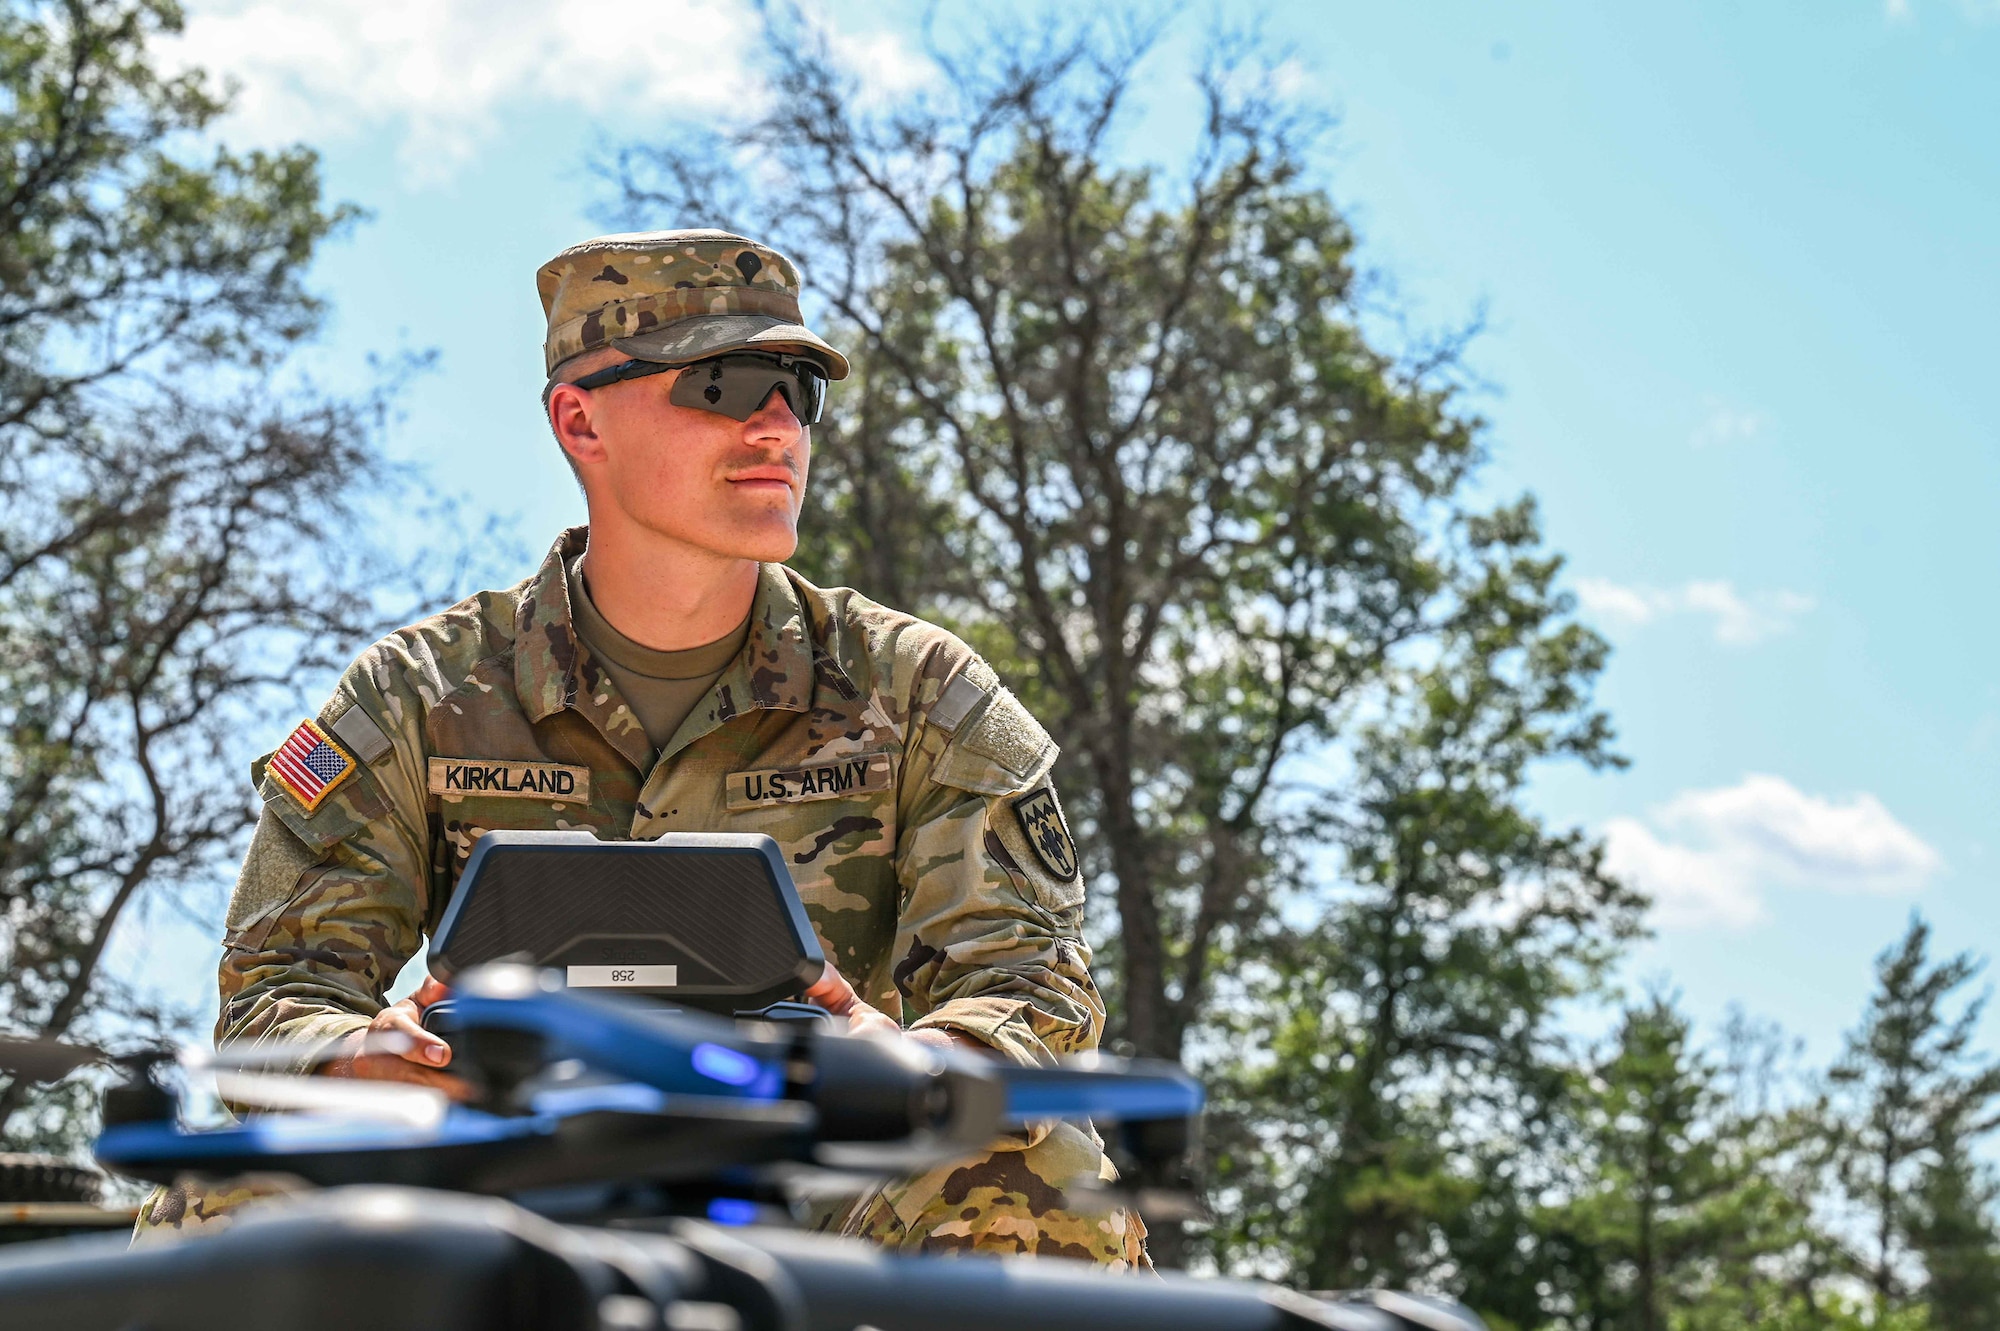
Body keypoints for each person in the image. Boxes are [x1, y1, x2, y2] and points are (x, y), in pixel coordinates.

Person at [134, 229, 1147, 1268]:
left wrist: (913, 1060)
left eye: (797, 390)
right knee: (222, 1192)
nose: (775, 425)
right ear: (580, 421)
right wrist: (357, 1056)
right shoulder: (419, 693)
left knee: (1045, 1176)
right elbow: (275, 990)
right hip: (495, 1190)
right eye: (722, 383)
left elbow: (1032, 979)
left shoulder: (917, 689)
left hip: (815, 1192)